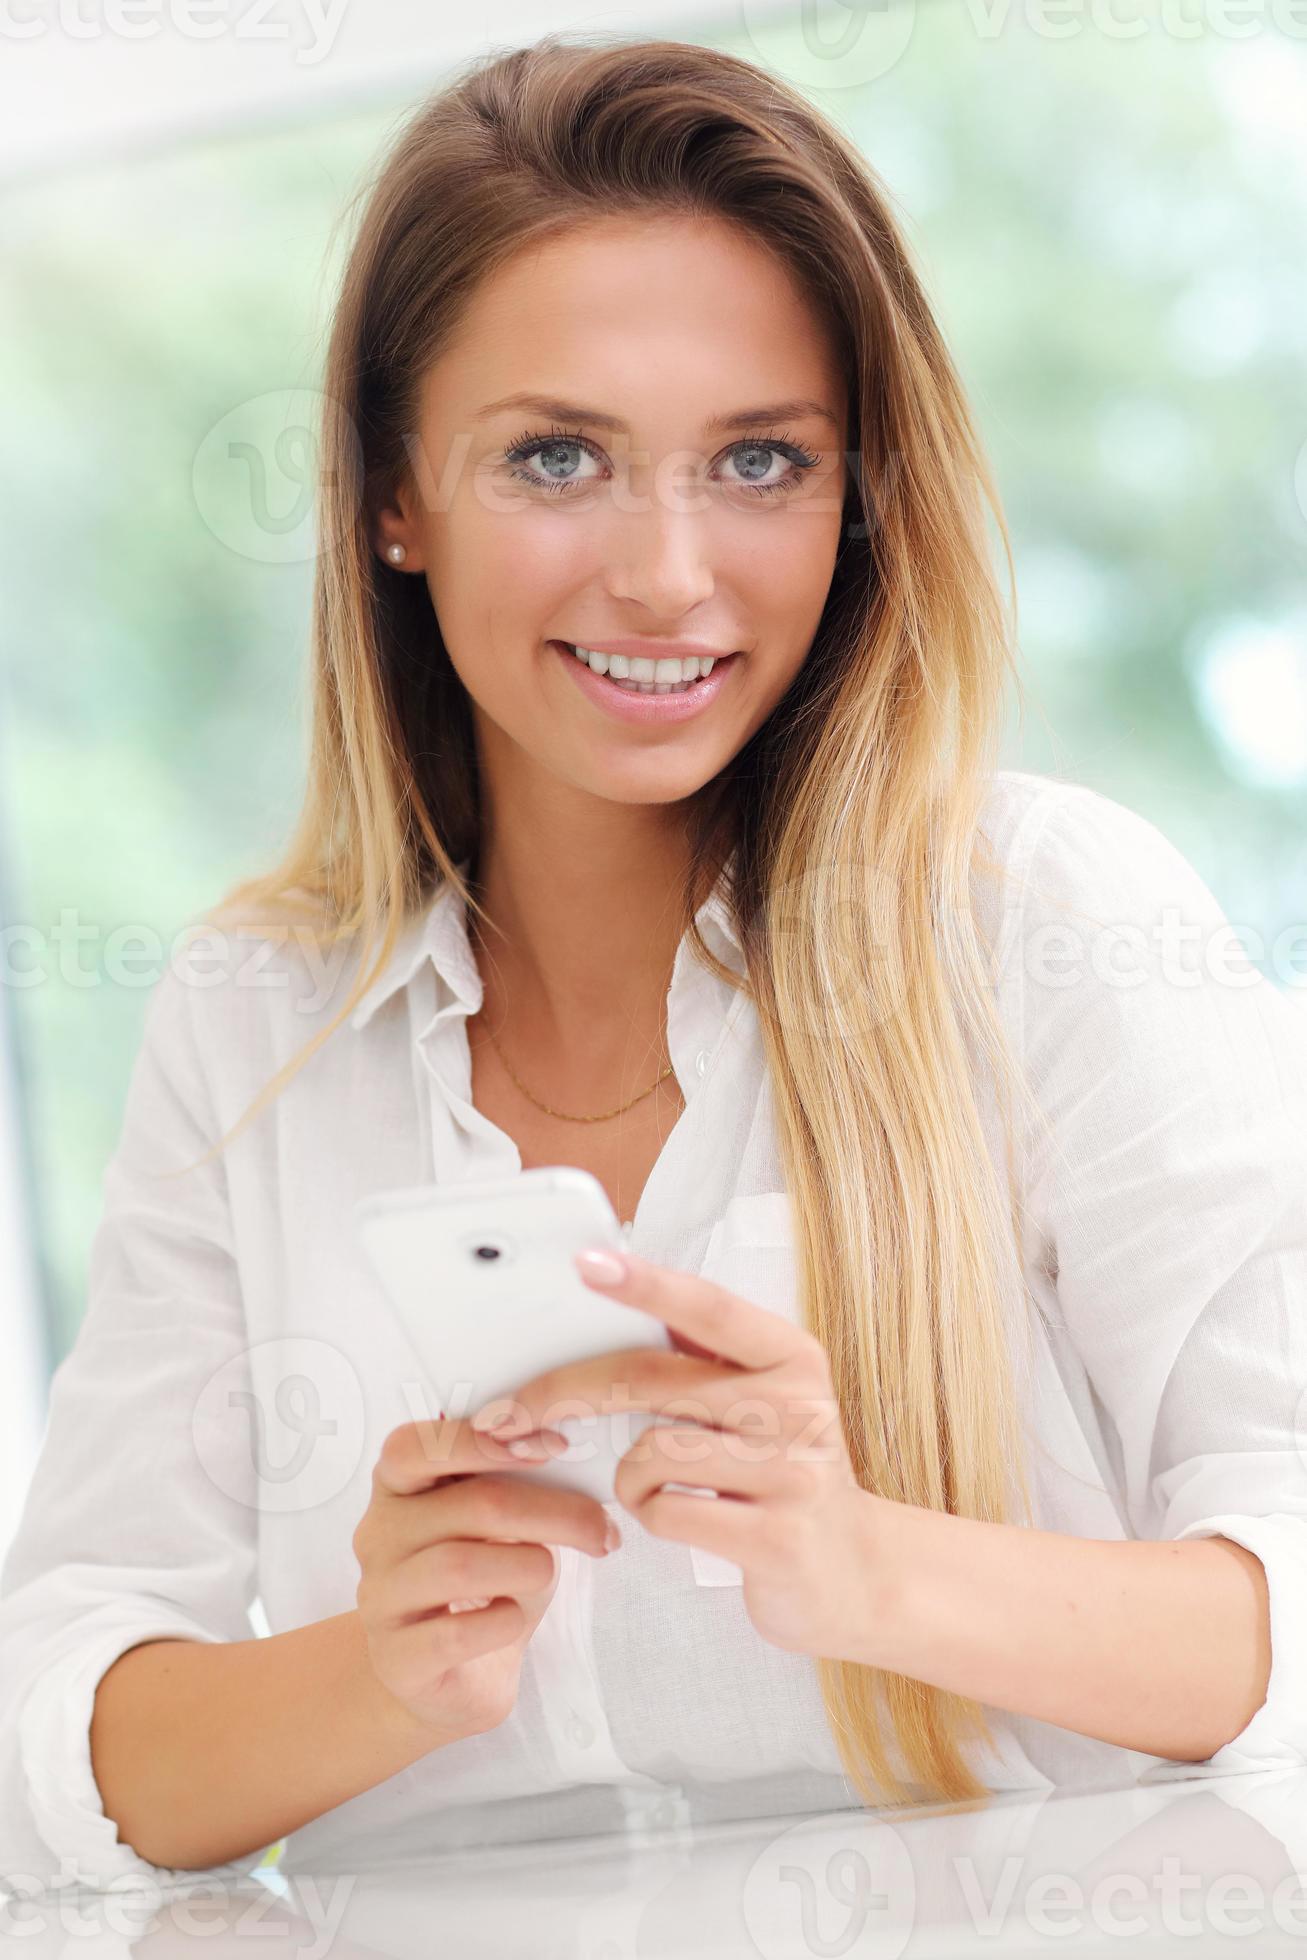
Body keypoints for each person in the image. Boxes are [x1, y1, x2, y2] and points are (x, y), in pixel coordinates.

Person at [3, 32, 1305, 1893]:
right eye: (557, 458)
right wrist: (377, 1679)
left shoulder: (1048, 920)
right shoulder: (260, 1013)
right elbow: (55, 1733)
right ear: (391, 493)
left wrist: (869, 1567)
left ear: (857, 498)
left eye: (761, 461)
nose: (672, 575)